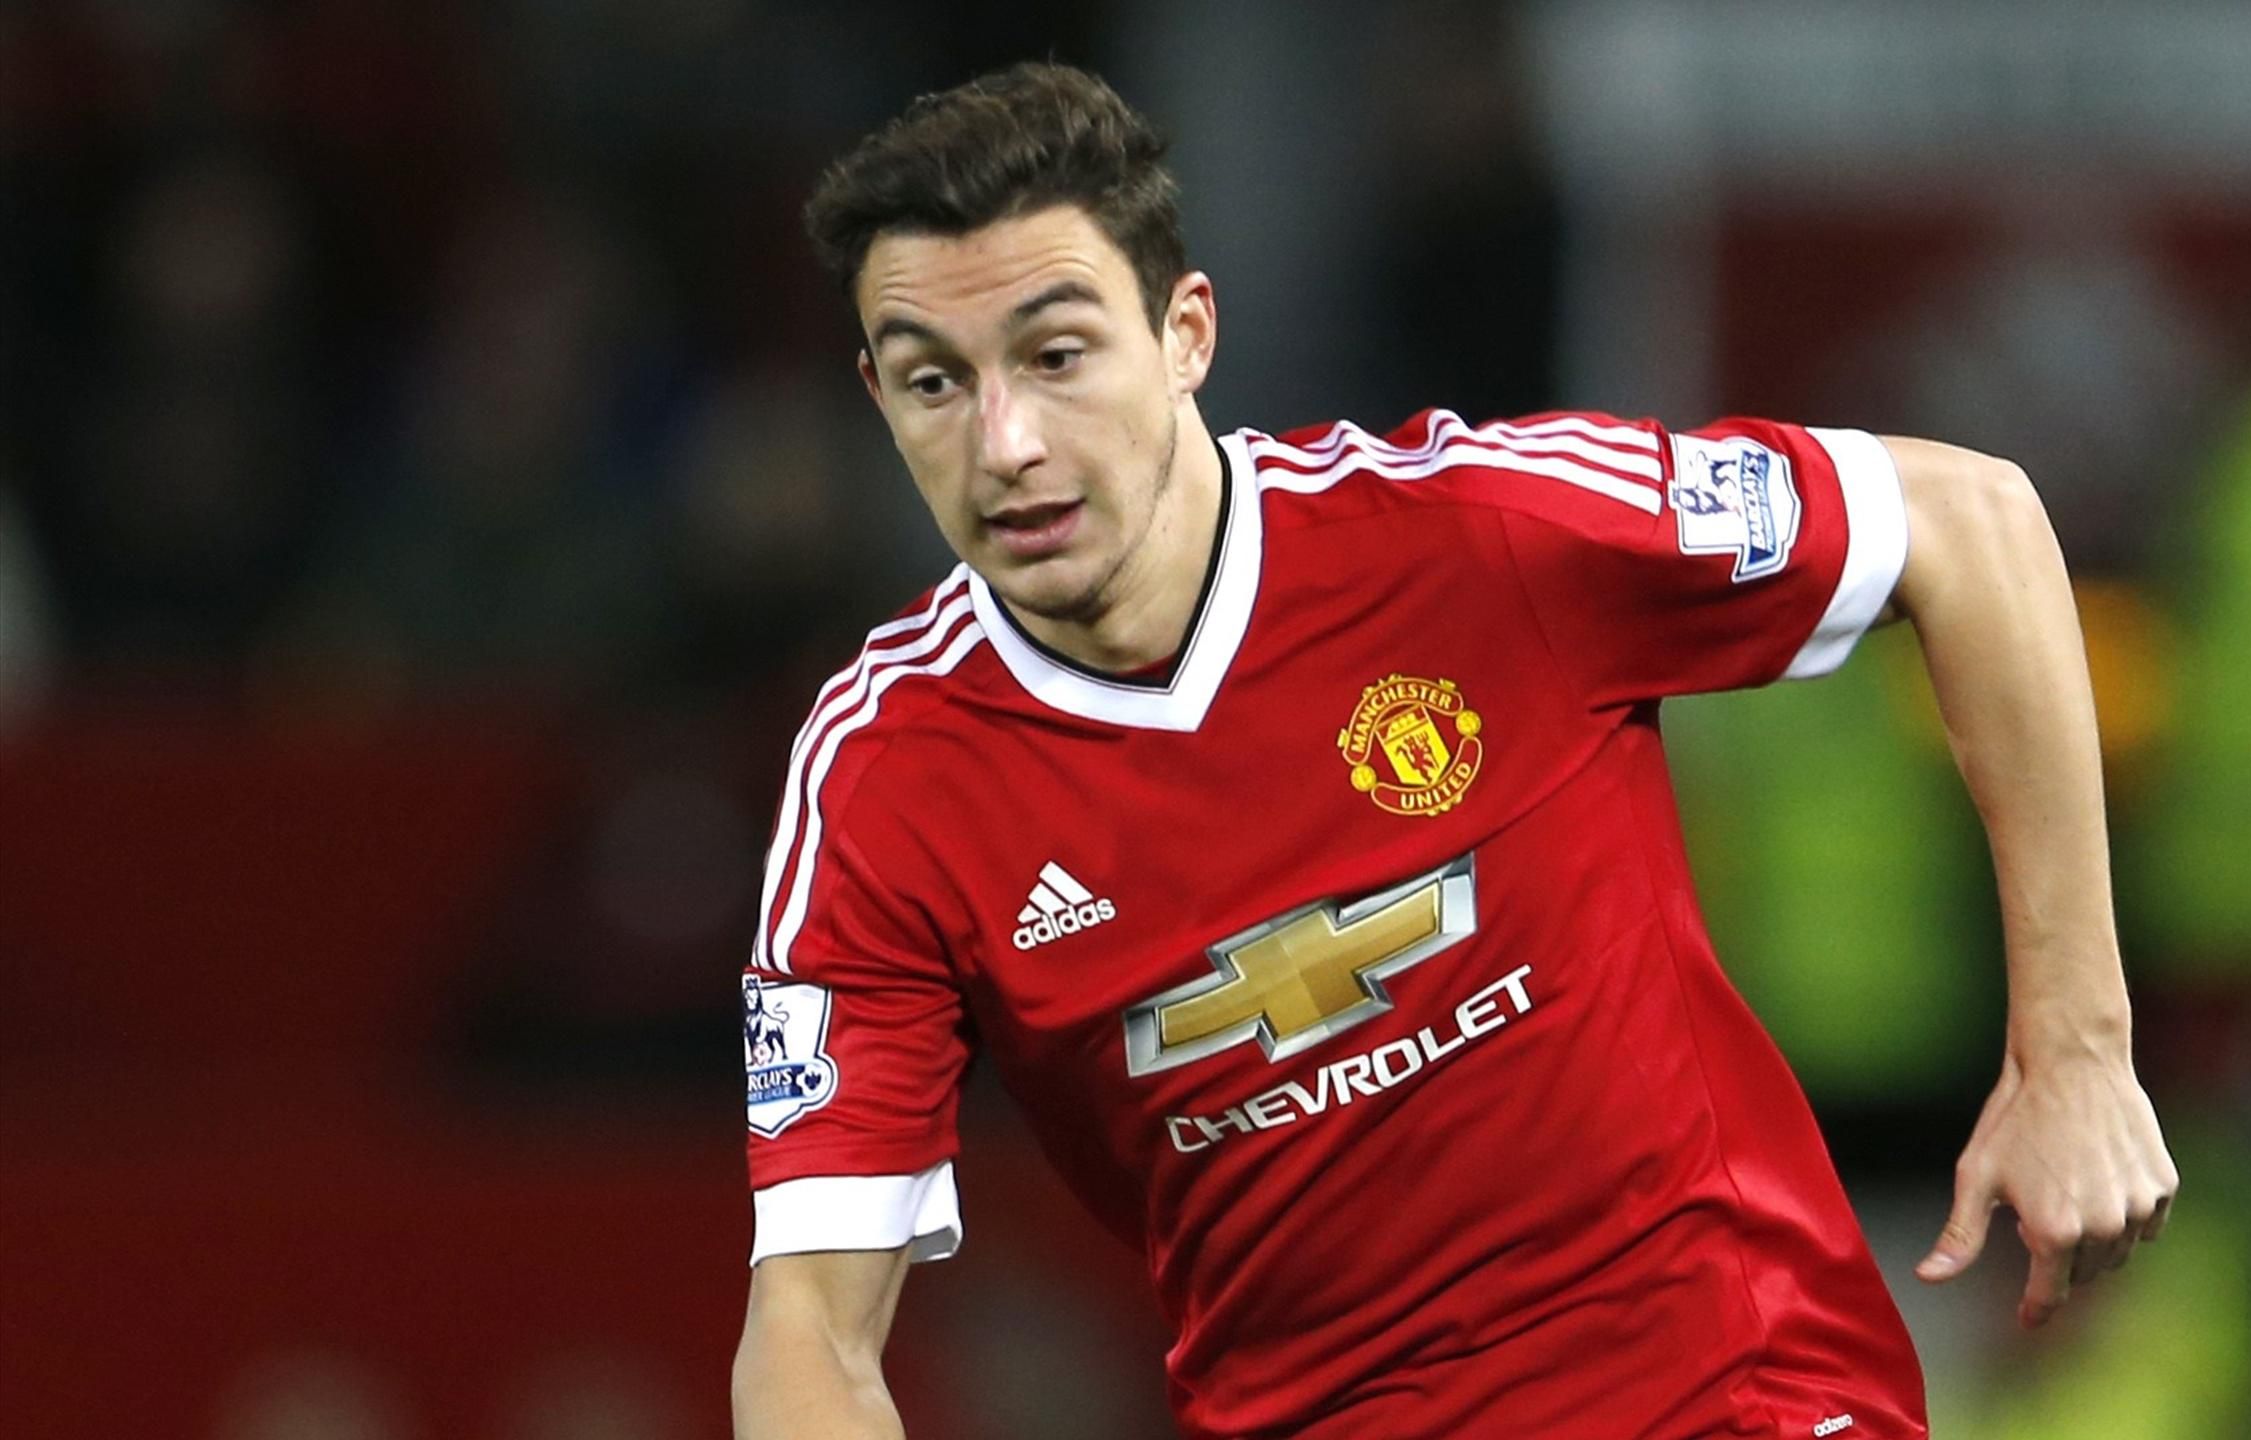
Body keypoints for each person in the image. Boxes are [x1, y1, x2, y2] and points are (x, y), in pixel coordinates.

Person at [730, 61, 2177, 1440]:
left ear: (1185, 336)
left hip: (1736, 1397)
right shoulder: (881, 787)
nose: (1005, 445)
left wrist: (2077, 1050)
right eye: (935, 383)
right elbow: (812, 1331)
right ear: (877, 396)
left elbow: (1971, 524)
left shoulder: (1479, 532)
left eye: (1057, 357)